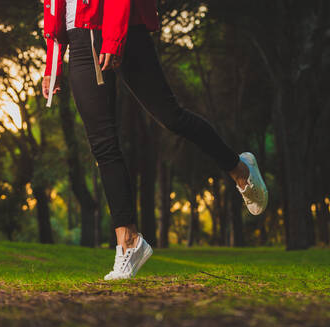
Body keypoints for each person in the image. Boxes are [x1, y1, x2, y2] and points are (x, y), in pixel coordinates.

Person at [41, 0, 268, 281]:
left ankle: (240, 169)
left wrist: (112, 38)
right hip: (78, 36)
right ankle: (129, 242)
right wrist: (52, 63)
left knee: (172, 117)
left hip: (124, 26)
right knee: (102, 144)